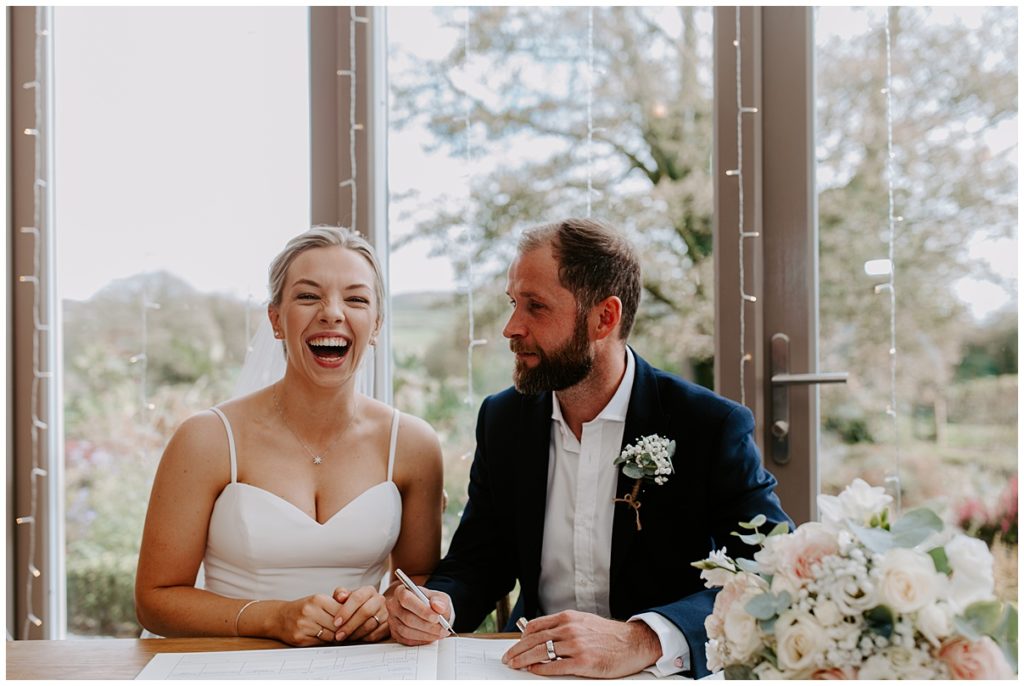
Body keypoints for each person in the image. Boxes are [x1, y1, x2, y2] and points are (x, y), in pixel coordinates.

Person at [386, 218, 792, 678]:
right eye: (512, 303)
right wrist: (441, 602)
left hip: (662, 674)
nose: (510, 328)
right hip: (531, 670)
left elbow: (767, 569)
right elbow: (480, 557)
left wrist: (647, 638)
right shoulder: (504, 420)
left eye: (535, 307)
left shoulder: (709, 425)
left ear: (604, 318)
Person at [135, 227, 443, 646]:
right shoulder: (205, 439)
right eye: (308, 296)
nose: (332, 312)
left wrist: (388, 606)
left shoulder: (413, 444)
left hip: (363, 667)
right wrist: (273, 617)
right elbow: (155, 600)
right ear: (276, 320)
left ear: (376, 326)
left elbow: (417, 578)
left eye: (355, 299)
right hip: (230, 665)